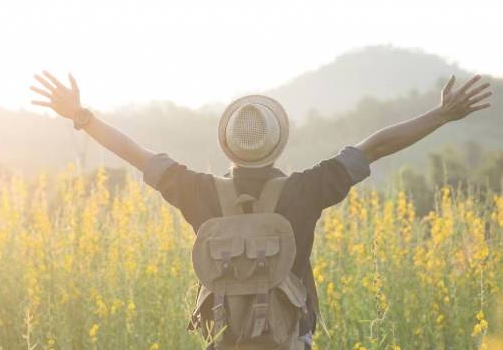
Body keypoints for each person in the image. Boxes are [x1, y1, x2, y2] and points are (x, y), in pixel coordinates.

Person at [29, 71, 493, 349]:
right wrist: (442, 115)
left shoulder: (198, 191)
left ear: (226, 143)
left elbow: (135, 152)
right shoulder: (308, 189)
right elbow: (377, 146)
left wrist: (81, 116)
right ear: (279, 141)